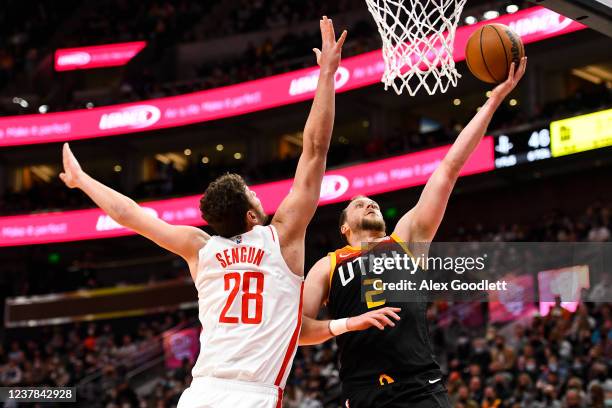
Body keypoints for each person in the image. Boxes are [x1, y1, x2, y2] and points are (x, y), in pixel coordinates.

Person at [60, 17, 356, 408]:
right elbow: (315, 148)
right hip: (252, 395)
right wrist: (327, 75)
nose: (257, 195)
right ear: (251, 215)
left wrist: (83, 181)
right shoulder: (281, 237)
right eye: (253, 194)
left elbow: (130, 215)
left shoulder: (199, 247)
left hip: (200, 393)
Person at [298, 57, 528, 407]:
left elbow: (449, 168)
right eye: (359, 204)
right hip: (364, 394)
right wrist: (348, 323)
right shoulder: (327, 266)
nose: (369, 203)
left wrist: (493, 101)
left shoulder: (406, 240)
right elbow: (298, 331)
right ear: (345, 227)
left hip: (421, 387)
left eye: (371, 201)